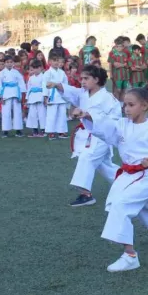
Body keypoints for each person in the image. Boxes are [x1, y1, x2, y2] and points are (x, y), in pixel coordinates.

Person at [77, 87, 148, 272]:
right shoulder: (122, 125)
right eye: (125, 105)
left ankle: (130, 256)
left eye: (131, 105)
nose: (126, 109)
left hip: (147, 177)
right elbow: (106, 126)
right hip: (128, 175)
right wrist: (88, 116)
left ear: (144, 106)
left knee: (121, 205)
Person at [50, 64, 121, 207]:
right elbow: (72, 92)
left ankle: (85, 194)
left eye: (86, 78)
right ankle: (127, 183)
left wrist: (87, 115)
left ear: (96, 79)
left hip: (101, 136)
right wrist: (58, 85)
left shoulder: (108, 98)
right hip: (87, 135)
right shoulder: (83, 93)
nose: (82, 81)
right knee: (103, 165)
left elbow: (114, 120)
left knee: (87, 157)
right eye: (81, 78)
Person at [0, 55, 27, 138]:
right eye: (7, 62)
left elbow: (21, 83)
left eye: (11, 62)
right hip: (5, 93)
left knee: (17, 112)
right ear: (4, 63)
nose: (9, 64)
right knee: (6, 112)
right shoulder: (1, 73)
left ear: (13, 63)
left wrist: (22, 94)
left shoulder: (16, 72)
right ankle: (5, 130)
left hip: (16, 92)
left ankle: (18, 130)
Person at [42, 54, 69, 140]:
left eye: (58, 61)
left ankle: (62, 131)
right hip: (52, 94)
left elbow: (65, 84)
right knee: (51, 114)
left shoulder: (62, 72)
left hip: (61, 94)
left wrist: (66, 93)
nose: (56, 62)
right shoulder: (47, 73)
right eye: (54, 60)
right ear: (49, 62)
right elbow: (44, 85)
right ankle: (51, 132)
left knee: (62, 114)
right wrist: (45, 96)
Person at [26, 59, 47, 137]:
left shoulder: (44, 76)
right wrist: (27, 98)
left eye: (37, 68)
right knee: (32, 114)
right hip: (32, 97)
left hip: (40, 96)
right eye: (33, 68)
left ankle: (43, 130)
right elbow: (29, 88)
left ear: (40, 68)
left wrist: (45, 97)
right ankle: (34, 130)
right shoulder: (31, 78)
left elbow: (45, 88)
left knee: (42, 114)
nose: (35, 70)